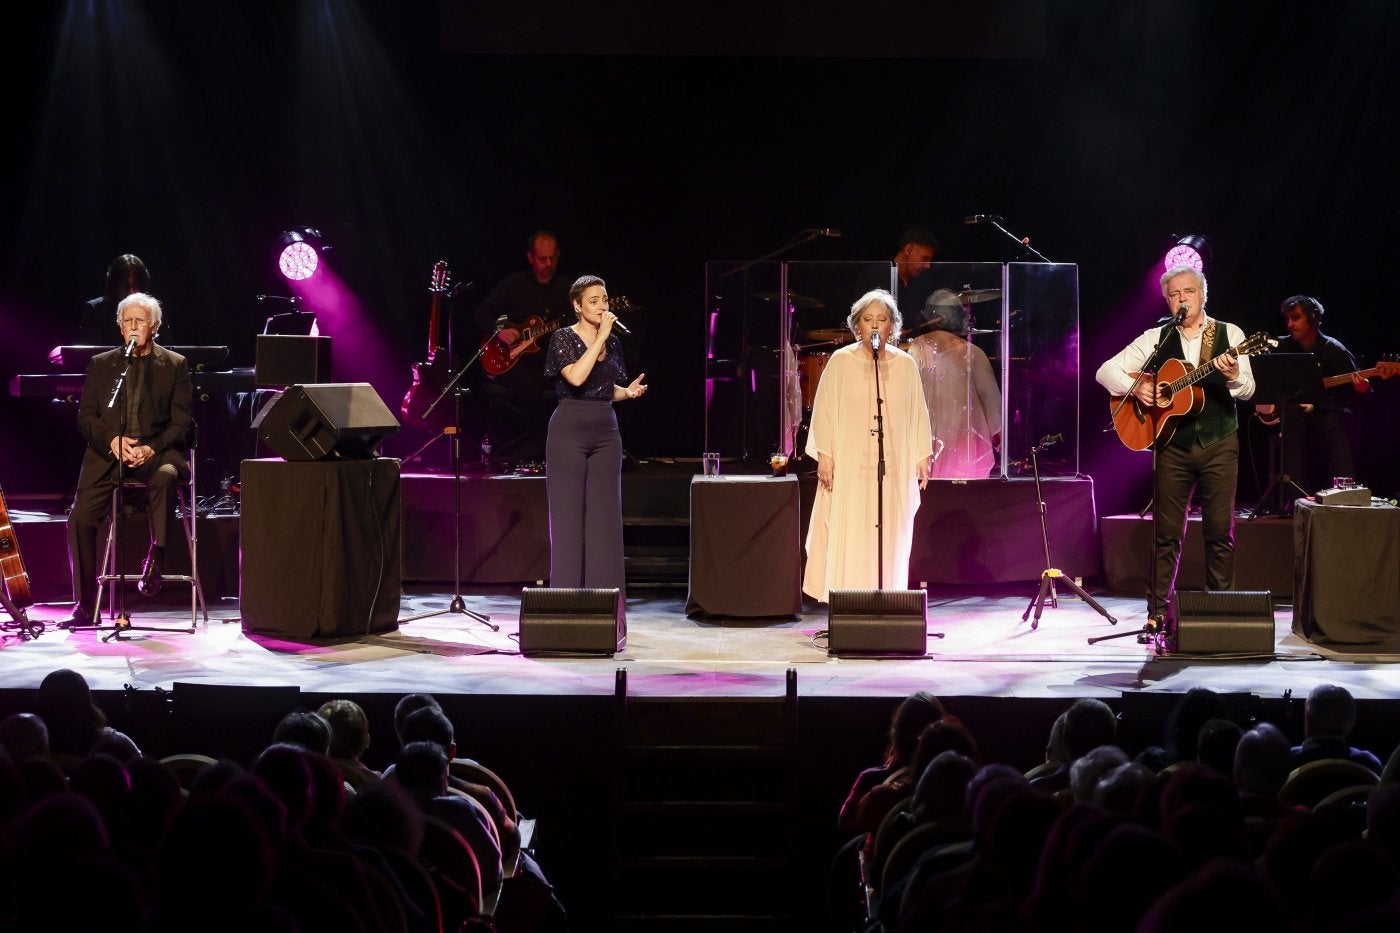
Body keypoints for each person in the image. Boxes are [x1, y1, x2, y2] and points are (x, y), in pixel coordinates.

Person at [1095, 265, 1255, 629]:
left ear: (1203, 295)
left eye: (1189, 292)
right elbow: (1105, 370)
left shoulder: (1230, 334)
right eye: (1174, 294)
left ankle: (1221, 613)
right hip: (1173, 445)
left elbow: (1249, 390)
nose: (1182, 299)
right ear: (1167, 301)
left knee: (1219, 531)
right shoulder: (1156, 337)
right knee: (1166, 533)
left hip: (1218, 442)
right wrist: (1136, 388)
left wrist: (1233, 376)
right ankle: (1156, 615)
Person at [61, 292, 192, 629]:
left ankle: (157, 557)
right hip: (110, 454)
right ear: (120, 328)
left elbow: (181, 422)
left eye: (141, 321)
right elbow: (86, 417)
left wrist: (152, 447)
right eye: (128, 321)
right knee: (79, 519)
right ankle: (86, 604)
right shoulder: (103, 365)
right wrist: (113, 440)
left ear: (155, 326)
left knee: (164, 475)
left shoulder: (175, 364)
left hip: (156, 452)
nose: (134, 327)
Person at [803, 289, 933, 601]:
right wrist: (825, 456)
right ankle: (848, 600)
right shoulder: (840, 361)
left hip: (892, 466)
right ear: (857, 325)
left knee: (890, 531)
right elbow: (824, 411)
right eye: (867, 319)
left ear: (893, 326)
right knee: (851, 529)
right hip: (849, 465)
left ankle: (887, 600)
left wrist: (921, 456)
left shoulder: (905, 365)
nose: (874, 326)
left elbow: (918, 412)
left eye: (882, 319)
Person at [542, 274, 648, 593]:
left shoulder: (613, 342)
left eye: (604, 300)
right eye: (593, 301)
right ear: (577, 306)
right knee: (567, 521)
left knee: (606, 522)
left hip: (606, 431)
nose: (602, 306)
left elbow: (601, 387)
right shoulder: (563, 337)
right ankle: (563, 605)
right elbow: (575, 378)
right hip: (568, 431)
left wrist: (625, 393)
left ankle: (605, 608)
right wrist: (600, 337)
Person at [473, 230, 572, 465]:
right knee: (530, 389)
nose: (548, 264)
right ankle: (535, 447)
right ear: (530, 258)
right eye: (542, 259)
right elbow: (481, 314)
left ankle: (560, 449)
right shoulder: (514, 284)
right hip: (515, 364)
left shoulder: (568, 290)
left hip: (552, 362)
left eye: (553, 258)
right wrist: (500, 331)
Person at [1255, 295, 1369, 495]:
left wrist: (1361, 388)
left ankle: (1343, 492)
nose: (1290, 324)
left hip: (1329, 410)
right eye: (1288, 319)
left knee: (1334, 423)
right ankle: (1292, 495)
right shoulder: (1283, 347)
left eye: (1296, 318)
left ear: (1313, 318)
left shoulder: (1333, 349)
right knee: (1291, 419)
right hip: (1295, 411)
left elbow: (1354, 395)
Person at [907, 288, 1001, 478]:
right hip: (964, 442)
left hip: (922, 437)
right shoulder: (973, 352)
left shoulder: (914, 347)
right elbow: (991, 401)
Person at [78, 253, 150, 346]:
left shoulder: (154, 309)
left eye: (135, 285)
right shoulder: (96, 310)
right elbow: (89, 355)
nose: (131, 291)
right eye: (125, 286)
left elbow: (167, 353)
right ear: (114, 285)